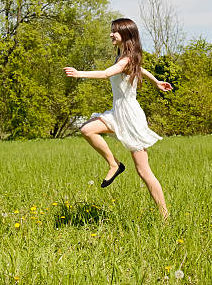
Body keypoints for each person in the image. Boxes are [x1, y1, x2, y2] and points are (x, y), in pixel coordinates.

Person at [64, 18, 172, 220]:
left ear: (127, 35)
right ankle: (114, 164)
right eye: (111, 31)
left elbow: (106, 74)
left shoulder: (126, 59)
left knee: (143, 171)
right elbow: (140, 69)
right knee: (87, 130)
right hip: (118, 111)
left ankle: (165, 215)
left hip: (130, 116)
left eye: (115, 32)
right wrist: (156, 81)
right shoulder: (124, 56)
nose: (111, 34)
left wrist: (79, 74)